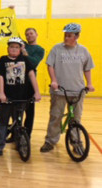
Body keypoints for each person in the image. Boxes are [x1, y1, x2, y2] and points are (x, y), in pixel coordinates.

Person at [40, 23, 95, 153]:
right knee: (55, 116)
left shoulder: (83, 51)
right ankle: (50, 141)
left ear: (77, 36)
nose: (66, 38)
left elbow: (87, 68)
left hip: (77, 90)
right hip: (59, 90)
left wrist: (90, 83)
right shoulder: (57, 49)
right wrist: (54, 80)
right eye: (65, 35)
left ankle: (76, 142)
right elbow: (50, 66)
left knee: (76, 118)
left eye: (69, 36)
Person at [0, 37, 41, 156]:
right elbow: (0, 77)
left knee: (18, 122)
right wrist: (1, 93)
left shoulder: (25, 60)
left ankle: (19, 143)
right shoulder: (3, 59)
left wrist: (37, 92)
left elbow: (31, 75)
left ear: (21, 49)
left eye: (16, 47)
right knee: (3, 122)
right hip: (7, 97)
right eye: (11, 47)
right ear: (8, 48)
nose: (14, 49)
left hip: (21, 97)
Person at [21, 28, 45, 138]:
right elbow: (13, 30)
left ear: (36, 34)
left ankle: (27, 135)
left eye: (31, 33)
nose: (29, 36)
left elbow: (34, 63)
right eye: (27, 34)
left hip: (30, 83)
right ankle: (16, 133)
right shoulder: (22, 44)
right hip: (18, 82)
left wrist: (25, 53)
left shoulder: (40, 49)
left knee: (29, 112)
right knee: (17, 110)